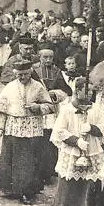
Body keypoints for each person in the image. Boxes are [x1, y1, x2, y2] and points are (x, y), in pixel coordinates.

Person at [0, 60, 54, 205]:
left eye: (25, 74)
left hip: (32, 128)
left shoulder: (38, 87)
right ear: (15, 74)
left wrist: (37, 107)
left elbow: (50, 107)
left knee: (29, 161)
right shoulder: (10, 87)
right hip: (13, 127)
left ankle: (27, 192)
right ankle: (10, 189)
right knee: (11, 158)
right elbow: (2, 109)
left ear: (31, 72)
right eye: (19, 75)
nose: (22, 77)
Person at [50, 77, 104, 206]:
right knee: (74, 186)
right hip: (74, 151)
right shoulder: (67, 110)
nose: (88, 93)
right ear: (77, 90)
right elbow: (59, 131)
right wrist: (76, 141)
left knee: (91, 186)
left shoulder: (96, 109)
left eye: (90, 90)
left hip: (92, 150)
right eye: (85, 90)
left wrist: (92, 128)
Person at [33, 43, 72, 186]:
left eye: (50, 57)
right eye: (45, 57)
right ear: (39, 57)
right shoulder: (33, 70)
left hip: (53, 110)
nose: (48, 60)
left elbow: (67, 91)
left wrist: (55, 94)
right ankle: (40, 171)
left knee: (51, 140)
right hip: (38, 110)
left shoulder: (56, 71)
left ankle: (50, 169)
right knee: (40, 140)